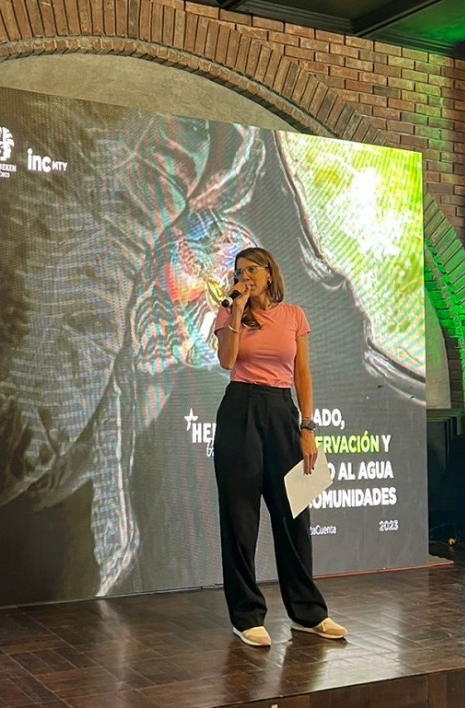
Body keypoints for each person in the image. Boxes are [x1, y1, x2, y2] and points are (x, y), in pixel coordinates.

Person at [212, 246, 347, 647]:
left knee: (294, 515)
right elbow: (226, 360)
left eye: (252, 269)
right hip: (240, 409)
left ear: (269, 273)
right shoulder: (228, 311)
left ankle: (308, 612)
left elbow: (302, 373)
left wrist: (307, 426)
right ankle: (246, 615)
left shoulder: (294, 316)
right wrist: (235, 311)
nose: (245, 276)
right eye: (239, 271)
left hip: (282, 413)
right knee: (240, 516)